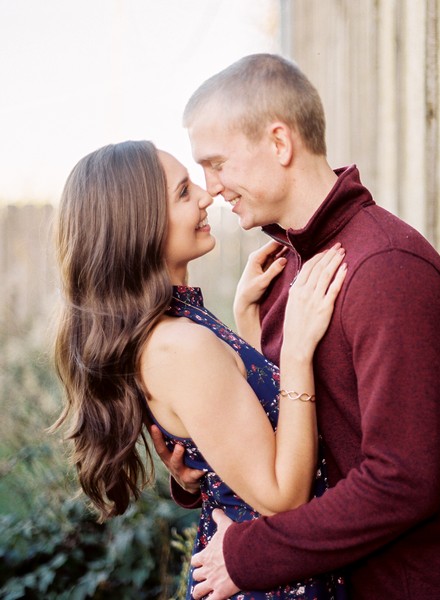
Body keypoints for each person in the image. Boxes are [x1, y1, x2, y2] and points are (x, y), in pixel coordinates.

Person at [162, 53, 440, 600]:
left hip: (426, 584)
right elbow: (294, 436)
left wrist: (251, 555)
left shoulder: (386, 268)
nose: (211, 188)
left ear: (279, 143)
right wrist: (204, 468)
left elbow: (402, 482)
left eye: (217, 163)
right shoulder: (287, 269)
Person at [52, 140, 348, 599]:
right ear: (140, 227)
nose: (207, 196)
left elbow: (251, 419)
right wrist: (295, 354)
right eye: (184, 192)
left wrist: (246, 319)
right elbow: (280, 496)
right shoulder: (179, 347)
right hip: (269, 582)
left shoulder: (173, 324)